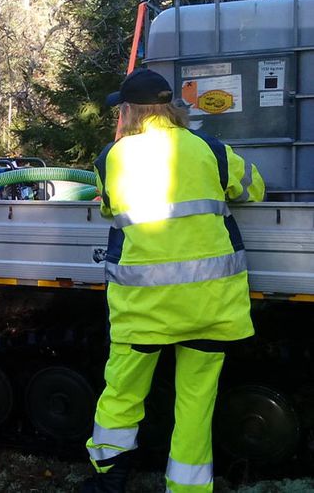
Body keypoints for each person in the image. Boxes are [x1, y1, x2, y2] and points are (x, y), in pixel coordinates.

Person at [83, 68, 265, 493]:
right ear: (170, 108)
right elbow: (253, 188)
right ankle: (186, 488)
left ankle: (109, 479)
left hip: (142, 311)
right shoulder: (211, 150)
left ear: (129, 111)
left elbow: (110, 212)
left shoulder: (112, 158)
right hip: (210, 308)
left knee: (122, 394)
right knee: (196, 404)